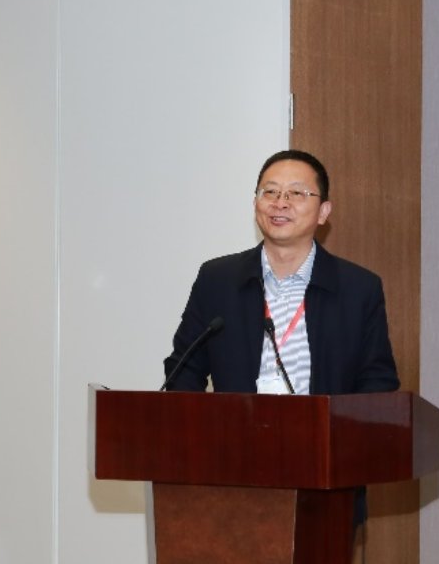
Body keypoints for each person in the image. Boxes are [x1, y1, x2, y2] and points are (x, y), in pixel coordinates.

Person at [163, 149, 399, 394]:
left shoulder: (358, 289)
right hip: (237, 420)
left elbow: (377, 383)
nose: (280, 203)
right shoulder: (217, 280)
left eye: (296, 193)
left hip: (322, 421)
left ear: (323, 212)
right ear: (255, 203)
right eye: (270, 192)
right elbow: (183, 370)